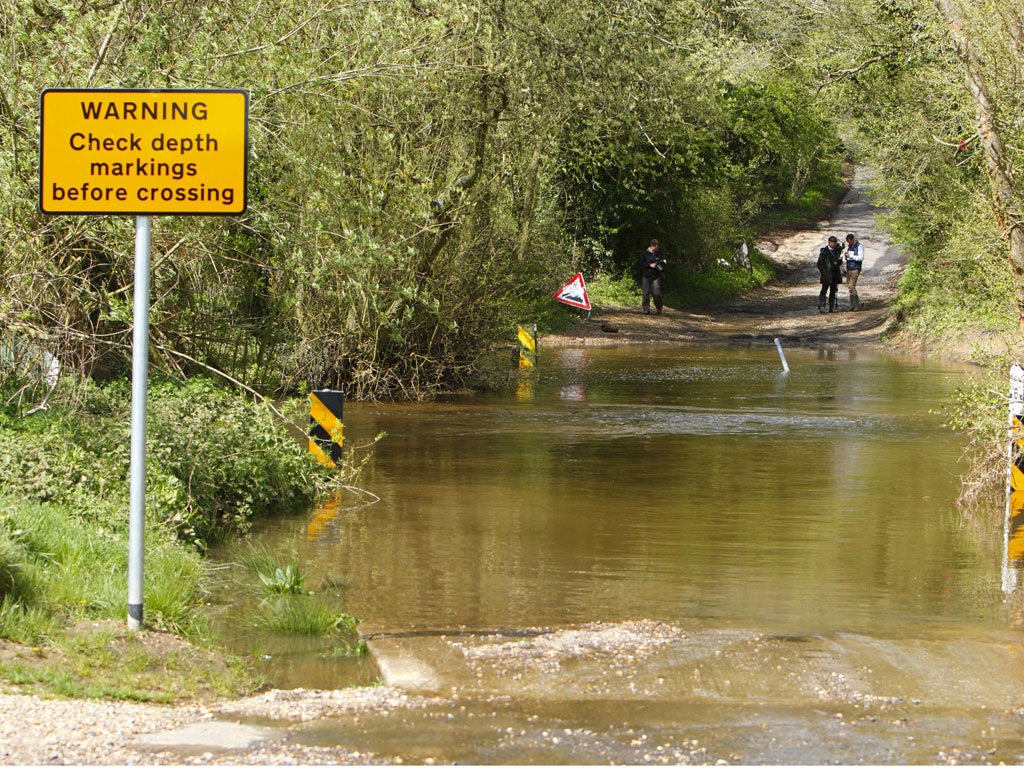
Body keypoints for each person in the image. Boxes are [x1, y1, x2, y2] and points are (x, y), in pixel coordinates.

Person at [637, 238, 666, 315]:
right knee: (645, 293)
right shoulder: (645, 254)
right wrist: (649, 265)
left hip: (656, 276)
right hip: (646, 275)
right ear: (652, 246)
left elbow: (662, 261)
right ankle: (646, 310)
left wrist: (660, 264)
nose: (657, 248)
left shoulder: (658, 253)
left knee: (656, 293)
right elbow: (640, 263)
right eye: (656, 247)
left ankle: (659, 308)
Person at [816, 236, 844, 313]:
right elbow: (819, 264)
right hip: (827, 275)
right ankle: (822, 306)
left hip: (834, 274)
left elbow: (838, 263)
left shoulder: (836, 251)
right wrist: (824, 273)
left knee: (833, 291)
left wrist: (839, 261)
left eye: (834, 242)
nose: (833, 244)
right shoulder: (824, 252)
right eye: (832, 242)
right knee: (824, 290)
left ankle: (831, 308)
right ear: (829, 242)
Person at [844, 233, 865, 310]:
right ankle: (852, 305)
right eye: (848, 242)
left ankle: (856, 305)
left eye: (850, 242)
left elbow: (860, 258)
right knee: (849, 287)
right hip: (849, 267)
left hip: (856, 268)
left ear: (853, 239)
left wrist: (850, 256)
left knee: (852, 286)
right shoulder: (849, 246)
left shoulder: (859, 246)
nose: (849, 243)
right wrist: (846, 256)